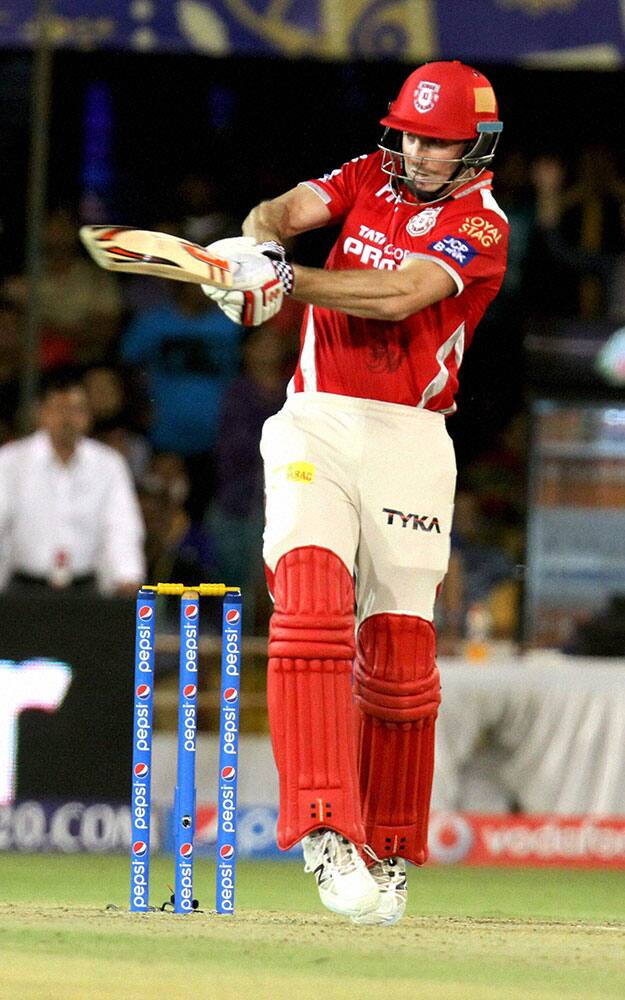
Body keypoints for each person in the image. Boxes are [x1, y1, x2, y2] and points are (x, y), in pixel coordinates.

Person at [201, 59, 508, 925]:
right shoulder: (367, 173)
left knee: (402, 663)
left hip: (412, 440)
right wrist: (254, 246)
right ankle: (324, 830)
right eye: (406, 133)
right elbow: (283, 213)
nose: (413, 152)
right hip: (317, 421)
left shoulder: (481, 225)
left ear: (475, 146)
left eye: (434, 141)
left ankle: (390, 845)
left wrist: (286, 283)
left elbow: (399, 293)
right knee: (306, 604)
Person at [0, 369, 145, 595]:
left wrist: (127, 574)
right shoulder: (11, 461)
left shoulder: (108, 465)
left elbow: (121, 524)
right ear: (42, 413)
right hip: (23, 586)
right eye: (59, 409)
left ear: (88, 417)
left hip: (85, 588)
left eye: (76, 410)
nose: (67, 419)